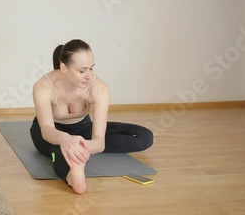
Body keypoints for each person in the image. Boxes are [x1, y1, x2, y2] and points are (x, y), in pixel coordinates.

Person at [30, 39, 153, 194]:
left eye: (91, 69)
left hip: (83, 129)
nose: (88, 76)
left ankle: (77, 154)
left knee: (144, 136)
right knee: (59, 149)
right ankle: (72, 175)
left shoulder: (99, 88)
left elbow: (99, 142)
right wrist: (65, 140)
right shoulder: (43, 86)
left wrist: (82, 147)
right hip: (52, 132)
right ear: (64, 68)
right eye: (82, 71)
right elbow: (46, 130)